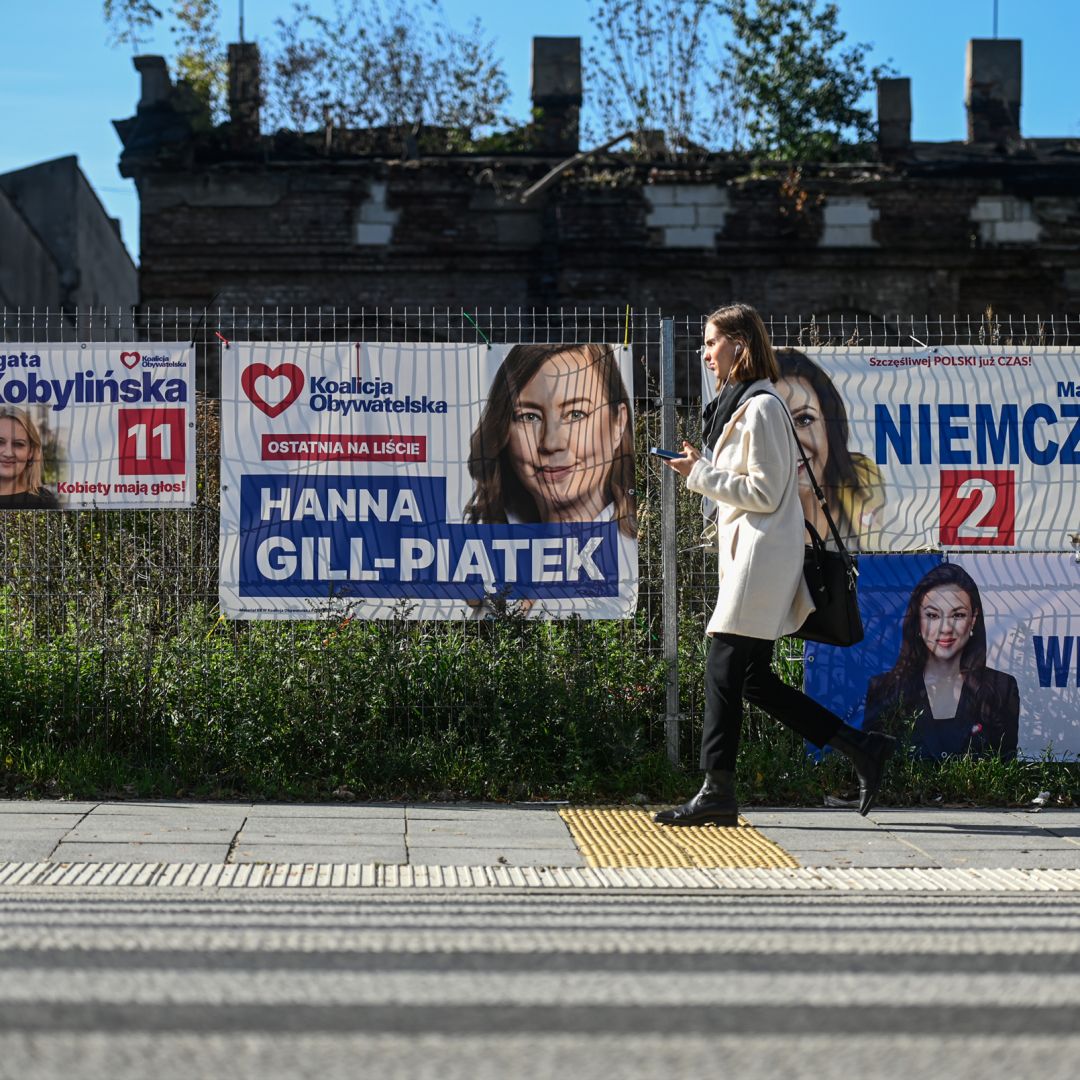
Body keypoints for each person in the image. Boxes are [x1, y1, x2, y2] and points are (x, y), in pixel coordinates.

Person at [654, 303, 895, 827]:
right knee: (752, 680)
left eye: (712, 343)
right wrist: (706, 465)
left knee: (722, 666)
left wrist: (699, 474)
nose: (705, 354)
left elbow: (764, 492)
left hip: (760, 560)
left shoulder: (762, 407)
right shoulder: (743, 407)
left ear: (740, 345)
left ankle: (716, 791)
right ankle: (862, 748)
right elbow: (756, 482)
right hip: (752, 555)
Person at [464, 342, 637, 615]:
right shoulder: (482, 548)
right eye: (529, 416)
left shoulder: (641, 547)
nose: (551, 442)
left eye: (576, 414)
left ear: (618, 423)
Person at [864, 563, 1019, 760]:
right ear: (917, 621)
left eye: (958, 615)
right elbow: (873, 763)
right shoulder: (883, 688)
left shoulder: (1002, 689)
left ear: (973, 620)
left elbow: (1005, 765)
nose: (945, 628)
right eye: (932, 615)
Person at [775, 348, 885, 550]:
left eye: (804, 419)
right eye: (774, 425)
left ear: (829, 425)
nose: (792, 442)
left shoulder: (864, 477)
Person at [0, 407, 60, 510]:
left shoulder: (45, 502)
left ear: (30, 452)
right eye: (0, 442)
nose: (8, 453)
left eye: (18, 444)